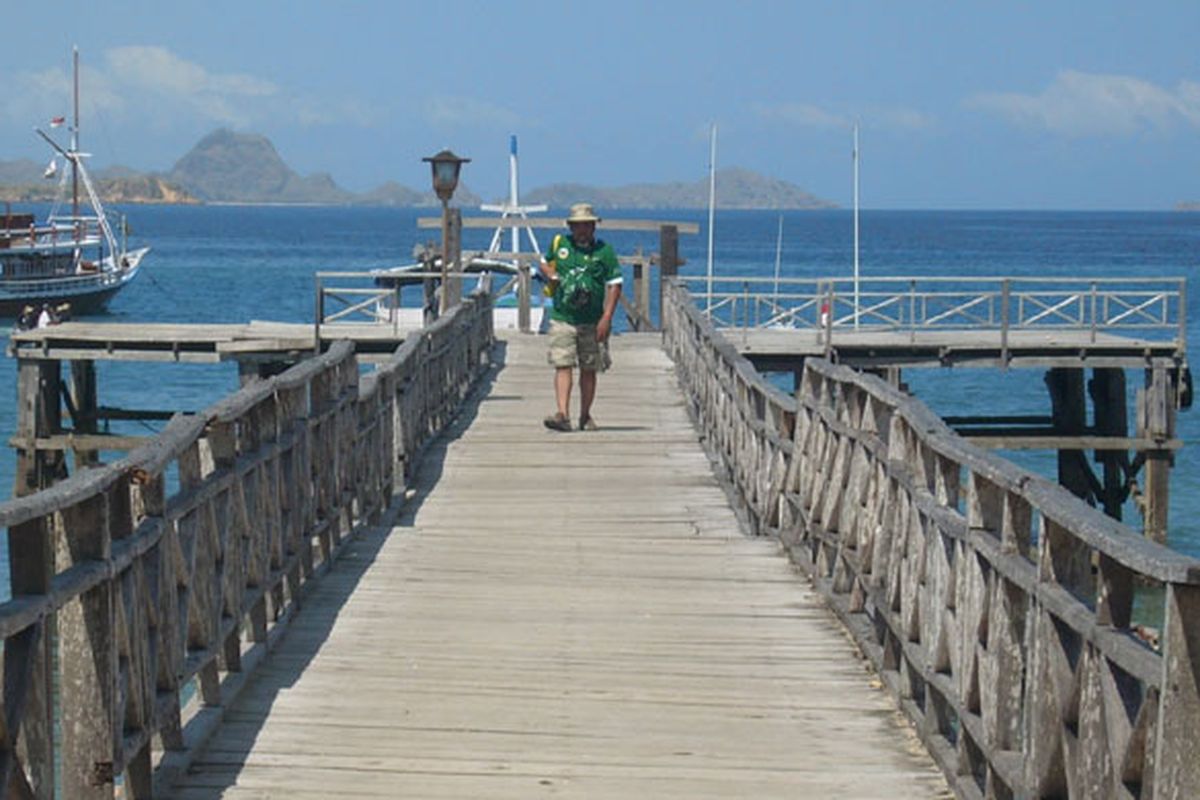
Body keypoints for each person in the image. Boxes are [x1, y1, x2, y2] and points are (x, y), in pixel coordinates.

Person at [540, 202, 622, 432]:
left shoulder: (604, 251)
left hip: (592, 320)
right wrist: (552, 275)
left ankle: (585, 415)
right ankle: (562, 414)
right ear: (571, 227)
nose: (583, 230)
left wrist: (607, 317)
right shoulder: (560, 244)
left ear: (594, 227)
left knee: (589, 367)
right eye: (578, 226)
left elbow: (615, 284)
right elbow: (544, 262)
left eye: (587, 225)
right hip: (562, 317)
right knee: (562, 364)